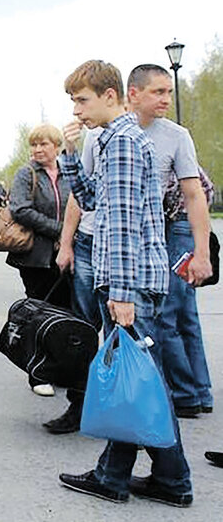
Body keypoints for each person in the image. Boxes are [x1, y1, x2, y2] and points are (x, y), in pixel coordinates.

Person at [58, 59, 192, 508]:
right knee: (138, 381)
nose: (77, 110)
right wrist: (70, 156)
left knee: (140, 383)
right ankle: (150, 478)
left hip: (129, 282)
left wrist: (121, 294)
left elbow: (121, 225)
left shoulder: (121, 144)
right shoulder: (116, 140)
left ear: (110, 95)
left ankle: (144, 479)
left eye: (82, 100)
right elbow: (94, 199)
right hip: (132, 281)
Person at [126, 64, 214, 418]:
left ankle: (187, 394)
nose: (166, 98)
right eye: (158, 92)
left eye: (168, 92)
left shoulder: (177, 135)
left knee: (171, 314)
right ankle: (197, 391)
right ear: (133, 93)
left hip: (175, 227)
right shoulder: (117, 133)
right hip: (150, 231)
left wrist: (201, 253)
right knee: (181, 315)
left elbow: (197, 195)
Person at [6, 124, 71, 397]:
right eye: (34, 145)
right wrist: (59, 231)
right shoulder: (26, 173)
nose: (38, 150)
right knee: (38, 314)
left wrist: (68, 237)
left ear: (57, 146)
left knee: (66, 312)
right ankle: (38, 373)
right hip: (35, 257)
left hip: (67, 255)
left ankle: (61, 368)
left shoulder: (69, 173)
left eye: (43, 144)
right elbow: (20, 209)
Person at [51, 126, 106, 433]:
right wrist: (67, 242)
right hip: (87, 241)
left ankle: (124, 416)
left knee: (124, 338)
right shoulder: (95, 138)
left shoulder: (170, 136)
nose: (77, 112)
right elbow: (80, 194)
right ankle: (79, 407)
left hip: (124, 250)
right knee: (82, 332)